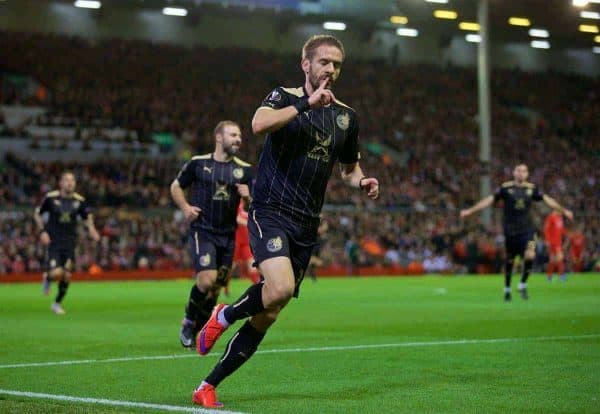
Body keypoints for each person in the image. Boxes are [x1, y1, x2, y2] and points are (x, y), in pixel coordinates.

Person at [191, 34, 380, 408]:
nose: (330, 69)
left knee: (270, 312)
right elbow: (259, 124)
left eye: (337, 64)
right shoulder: (283, 96)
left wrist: (362, 180)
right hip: (270, 210)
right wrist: (306, 104)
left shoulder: (346, 117)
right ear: (305, 64)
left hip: (306, 224)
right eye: (324, 61)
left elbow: (348, 167)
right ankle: (223, 315)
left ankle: (207, 386)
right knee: (277, 289)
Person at [171, 120, 253, 349]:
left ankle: (198, 328)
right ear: (219, 137)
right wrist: (186, 208)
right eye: (233, 134)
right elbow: (175, 186)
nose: (238, 139)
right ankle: (188, 321)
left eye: (239, 135)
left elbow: (250, 207)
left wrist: (247, 197)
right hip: (203, 231)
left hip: (228, 236)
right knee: (206, 280)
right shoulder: (198, 164)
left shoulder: (244, 170)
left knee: (216, 287)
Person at [460, 164, 573, 301]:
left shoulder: (531, 189)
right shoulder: (506, 188)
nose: (521, 173)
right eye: (518, 170)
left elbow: (548, 200)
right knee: (510, 260)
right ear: (514, 173)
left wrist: (563, 210)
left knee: (530, 254)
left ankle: (522, 284)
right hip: (511, 232)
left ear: (527, 174)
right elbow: (489, 200)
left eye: (524, 171)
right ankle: (507, 288)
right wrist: (470, 211)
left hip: (528, 231)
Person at [34, 171, 100, 315]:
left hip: (70, 243)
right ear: (61, 183)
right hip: (54, 242)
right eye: (66, 180)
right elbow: (37, 214)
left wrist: (92, 229)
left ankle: (56, 304)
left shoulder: (79, 200)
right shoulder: (51, 198)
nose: (69, 183)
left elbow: (87, 216)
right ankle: (48, 277)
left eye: (72, 180)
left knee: (67, 276)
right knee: (57, 272)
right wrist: (42, 232)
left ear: (75, 183)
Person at [231, 200, 260, 286]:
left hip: (245, 241)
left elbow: (242, 214)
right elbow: (236, 218)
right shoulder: (233, 200)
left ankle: (258, 287)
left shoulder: (242, 201)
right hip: (235, 240)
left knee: (252, 264)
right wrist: (249, 223)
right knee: (230, 267)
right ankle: (223, 289)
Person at [544, 209, 567, 281]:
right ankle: (561, 275)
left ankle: (549, 276)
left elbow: (561, 229)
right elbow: (546, 229)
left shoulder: (560, 218)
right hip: (553, 242)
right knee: (560, 257)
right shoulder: (551, 217)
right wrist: (547, 240)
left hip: (558, 241)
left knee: (553, 260)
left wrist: (567, 234)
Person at [307, 215, 329, 281]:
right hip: (312, 246)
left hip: (316, 246)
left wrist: (324, 220)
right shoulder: (312, 226)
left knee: (313, 264)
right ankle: (313, 275)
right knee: (313, 262)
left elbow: (325, 228)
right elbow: (321, 230)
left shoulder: (318, 226)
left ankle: (313, 275)